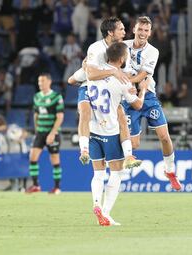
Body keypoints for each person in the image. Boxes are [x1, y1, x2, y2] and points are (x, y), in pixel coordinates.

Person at [88, 42, 148, 226]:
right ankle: (105, 212)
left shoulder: (94, 73)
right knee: (118, 172)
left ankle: (96, 203)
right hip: (111, 132)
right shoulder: (122, 80)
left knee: (98, 174)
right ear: (122, 59)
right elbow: (137, 105)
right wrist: (143, 88)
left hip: (93, 130)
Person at [71, 17, 141, 170]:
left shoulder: (123, 49)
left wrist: (131, 85)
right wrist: (114, 72)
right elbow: (91, 75)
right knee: (85, 111)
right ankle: (84, 149)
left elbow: (126, 72)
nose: (124, 31)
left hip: (111, 89)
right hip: (90, 86)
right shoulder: (95, 48)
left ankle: (128, 155)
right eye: (121, 29)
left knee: (121, 117)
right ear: (110, 32)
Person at [123, 16, 182, 191]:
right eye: (140, 29)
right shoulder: (122, 46)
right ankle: (119, 160)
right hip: (128, 99)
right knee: (134, 145)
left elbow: (143, 76)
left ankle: (170, 171)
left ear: (150, 33)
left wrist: (130, 81)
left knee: (164, 136)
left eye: (146, 31)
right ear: (134, 29)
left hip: (148, 97)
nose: (142, 33)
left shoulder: (152, 51)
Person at [26, 73, 64, 194]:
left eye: (42, 81)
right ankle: (36, 185)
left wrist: (52, 133)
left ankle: (57, 187)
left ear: (49, 82)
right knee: (32, 157)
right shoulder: (37, 97)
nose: (40, 84)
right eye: (39, 82)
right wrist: (37, 130)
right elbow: (36, 114)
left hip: (52, 133)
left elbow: (60, 117)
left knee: (54, 158)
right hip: (40, 133)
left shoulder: (56, 97)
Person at [0, 114, 28, 191]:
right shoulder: (1, 135)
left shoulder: (12, 128)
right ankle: (14, 185)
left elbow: (25, 133)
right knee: (10, 171)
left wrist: (20, 138)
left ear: (1, 124)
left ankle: (23, 187)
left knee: (22, 170)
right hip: (9, 155)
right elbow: (2, 146)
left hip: (19, 153)